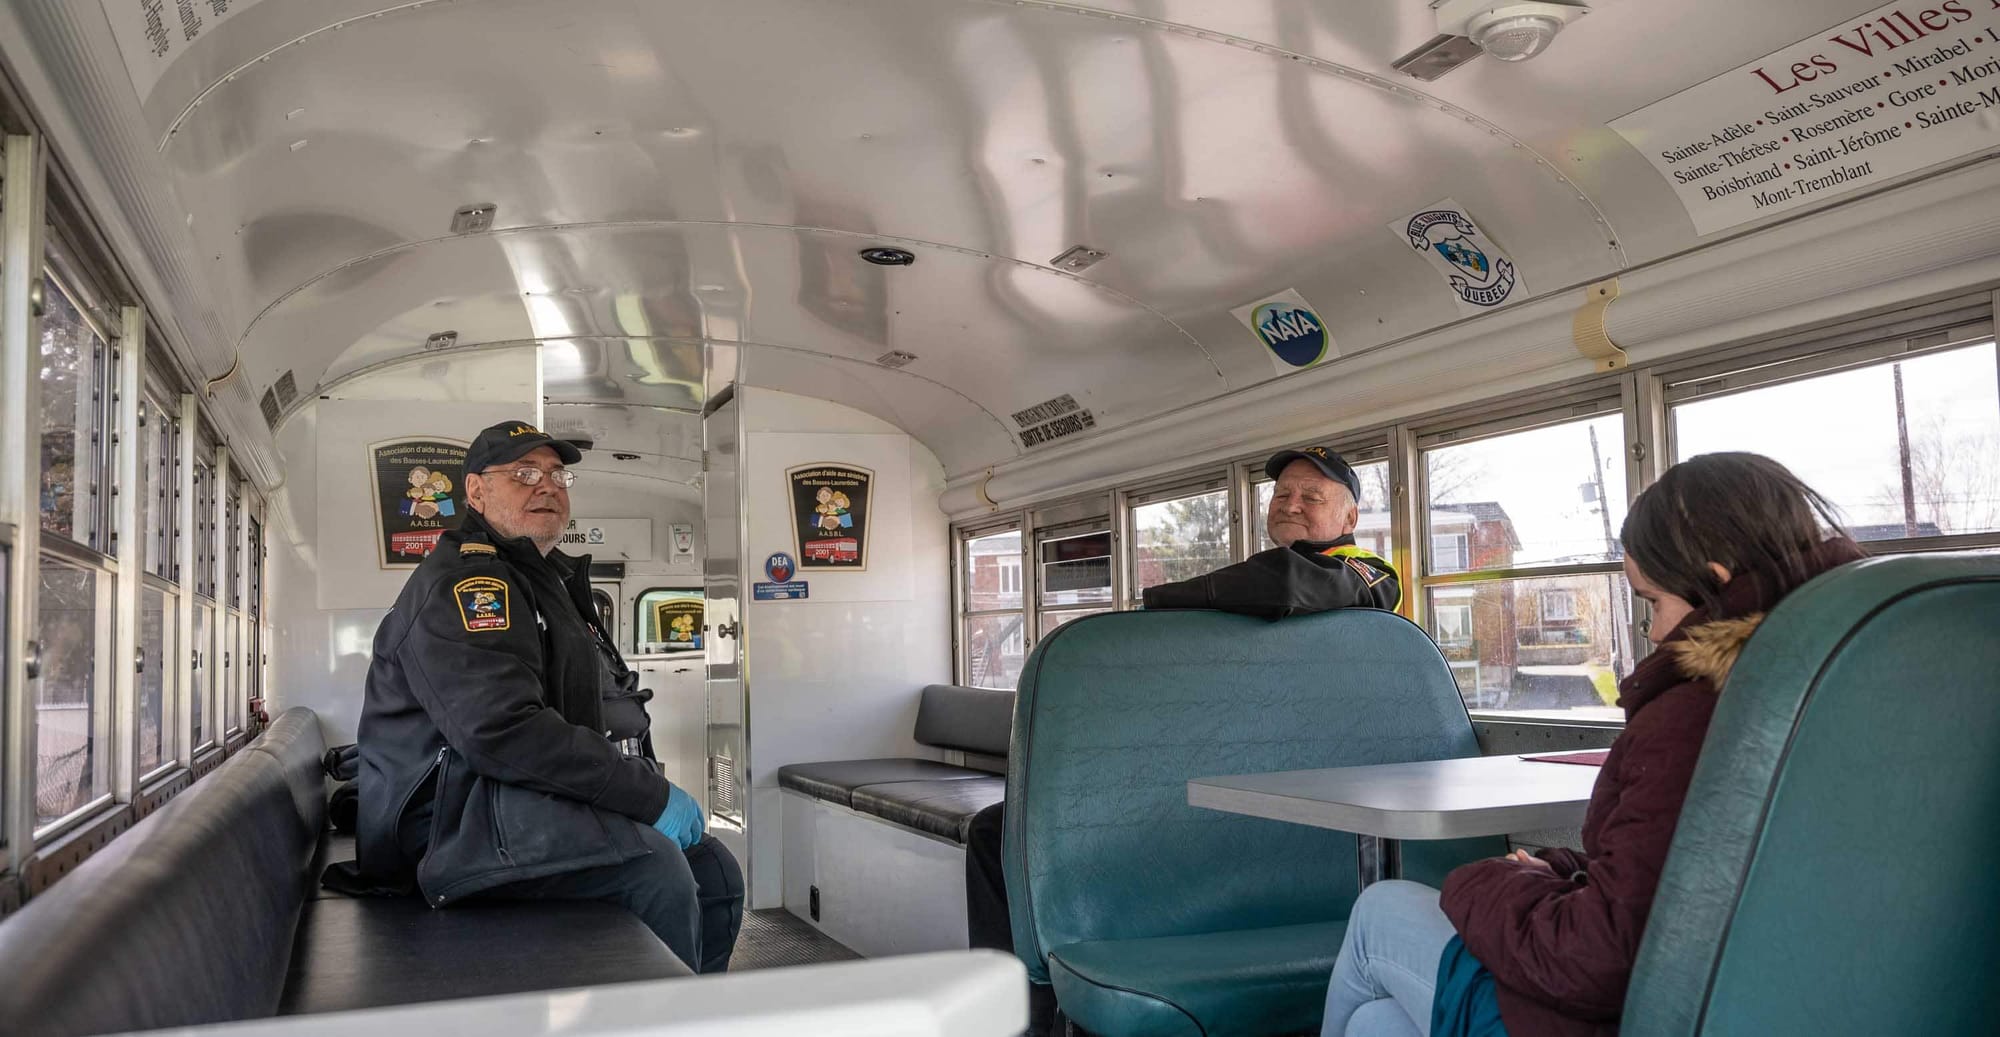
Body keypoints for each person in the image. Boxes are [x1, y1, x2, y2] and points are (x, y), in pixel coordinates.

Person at [1319, 452, 1865, 1037]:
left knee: (1379, 910)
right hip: (1767, 999)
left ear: (1718, 582)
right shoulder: (1840, 682)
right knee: (1377, 1023)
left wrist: (1485, 881)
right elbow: (1686, 883)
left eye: (1654, 602)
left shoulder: (1697, 715)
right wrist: (1560, 871)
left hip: (1643, 1014)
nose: (1656, 632)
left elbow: (1600, 957)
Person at [967, 445, 1400, 1034]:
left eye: (1312, 496)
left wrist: (1163, 602)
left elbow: (1292, 583)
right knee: (998, 831)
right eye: (1282, 494)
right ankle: (1024, 1014)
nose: (1291, 504)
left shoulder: (1368, 575)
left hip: (1306, 791)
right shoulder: (1252, 586)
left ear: (1350, 517)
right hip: (1230, 767)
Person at [354, 420, 742, 973]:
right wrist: (647, 797)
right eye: (524, 474)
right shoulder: (469, 585)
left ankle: (702, 1005)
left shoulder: (537, 578)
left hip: (499, 799)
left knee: (714, 869)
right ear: (475, 491)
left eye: (557, 475)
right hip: (445, 827)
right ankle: (655, 1012)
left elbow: (559, 700)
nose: (547, 486)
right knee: (655, 868)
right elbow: (502, 731)